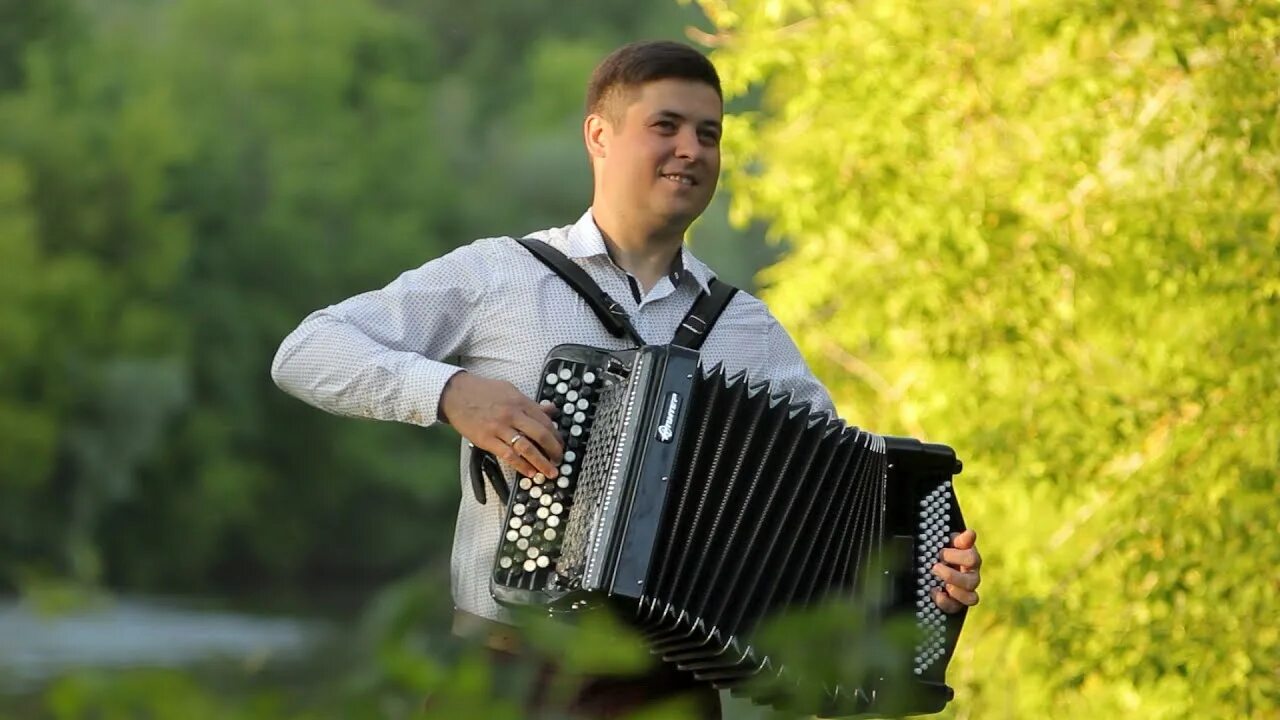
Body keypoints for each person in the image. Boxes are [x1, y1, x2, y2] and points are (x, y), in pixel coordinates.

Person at [271, 39, 982, 719]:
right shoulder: (500, 275)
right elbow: (306, 351)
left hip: (667, 697)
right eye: (665, 126)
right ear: (600, 137)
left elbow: (842, 516)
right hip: (499, 682)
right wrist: (450, 393)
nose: (691, 150)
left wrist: (923, 586)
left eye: (709, 134)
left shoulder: (748, 330)